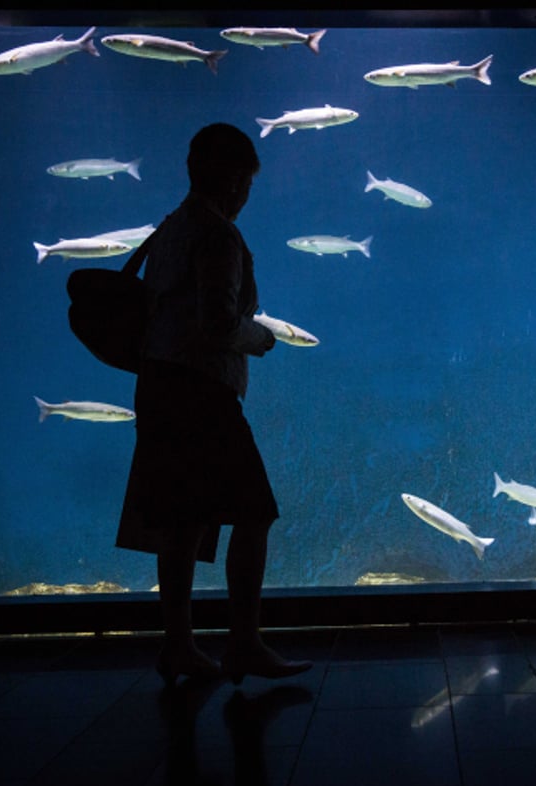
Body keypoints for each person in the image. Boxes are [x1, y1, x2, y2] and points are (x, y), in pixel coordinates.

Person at [117, 122, 311, 687]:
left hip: (158, 386)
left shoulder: (172, 227)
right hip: (201, 392)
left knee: (182, 521)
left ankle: (177, 646)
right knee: (255, 512)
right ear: (232, 180)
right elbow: (219, 322)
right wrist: (263, 338)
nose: (247, 195)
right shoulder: (218, 235)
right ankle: (244, 644)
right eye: (247, 182)